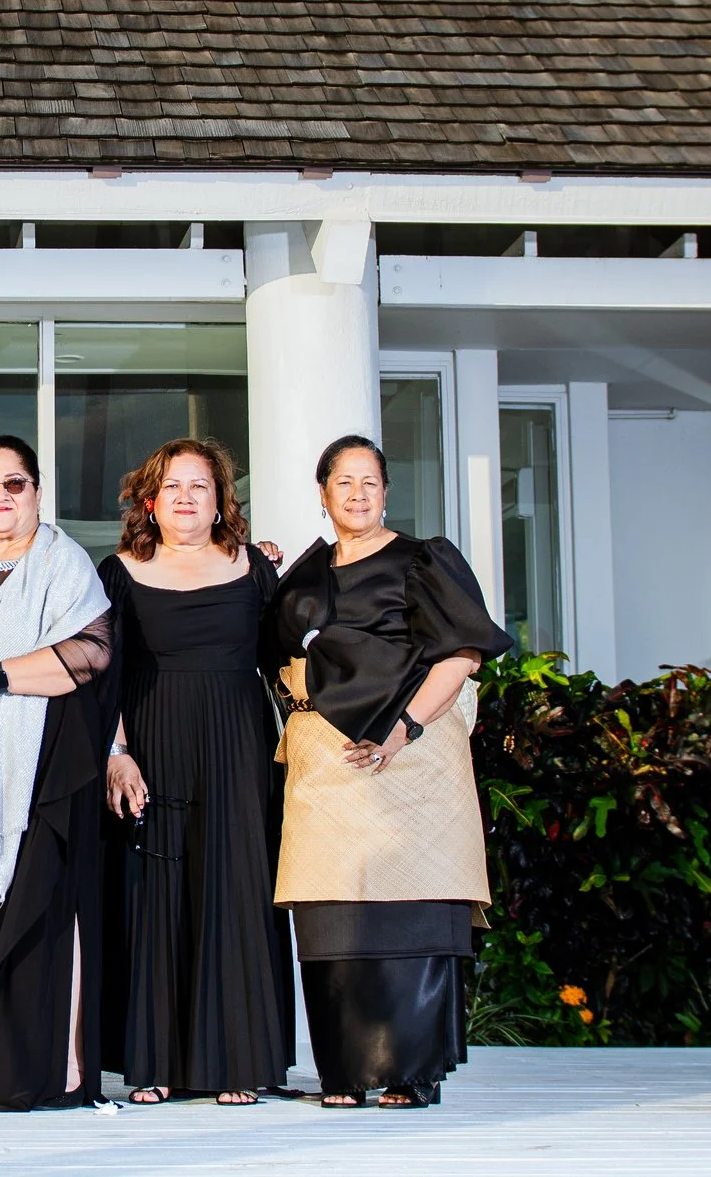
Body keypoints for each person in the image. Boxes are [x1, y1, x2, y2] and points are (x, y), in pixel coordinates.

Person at [269, 434, 510, 1110]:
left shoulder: (421, 559)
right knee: (334, 916)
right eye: (343, 482)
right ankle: (345, 1073)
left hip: (412, 753)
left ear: (386, 491)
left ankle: (411, 1072)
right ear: (323, 494)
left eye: (370, 481)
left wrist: (403, 730)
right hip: (327, 761)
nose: (357, 494)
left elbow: (463, 653)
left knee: (413, 916)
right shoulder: (307, 574)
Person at [100, 438, 291, 1105]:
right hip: (153, 741)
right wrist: (116, 753)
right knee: (156, 889)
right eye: (172, 487)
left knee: (236, 889)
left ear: (220, 502)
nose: (185, 497)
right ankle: (151, 1062)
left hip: (239, 744)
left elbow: (287, 664)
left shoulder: (253, 570)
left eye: (199, 487)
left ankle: (238, 1062)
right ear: (150, 503)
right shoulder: (119, 571)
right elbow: (107, 677)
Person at [0, 436, 115, 1111]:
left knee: (40, 911)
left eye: (15, 484)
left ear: (37, 492)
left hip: (41, 769)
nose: (1, 497)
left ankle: (59, 1070)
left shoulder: (61, 562)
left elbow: (93, 653)